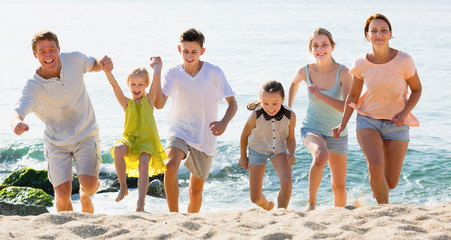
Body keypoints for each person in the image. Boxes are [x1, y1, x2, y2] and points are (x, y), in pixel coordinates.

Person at [10, 30, 110, 213]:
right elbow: (17, 111)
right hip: (56, 144)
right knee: (62, 195)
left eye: (52, 49)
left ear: (59, 48)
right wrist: (17, 123)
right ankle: (67, 229)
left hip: (85, 135)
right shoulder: (34, 86)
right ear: (35, 55)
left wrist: (103, 63)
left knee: (89, 186)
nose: (48, 55)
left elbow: (93, 64)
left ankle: (85, 197)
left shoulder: (74, 60)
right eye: (42, 52)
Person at [333, 14, 422, 204]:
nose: (378, 34)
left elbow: (416, 90)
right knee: (375, 167)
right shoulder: (361, 63)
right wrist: (342, 124)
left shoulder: (404, 60)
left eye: (383, 30)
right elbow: (354, 96)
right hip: (368, 119)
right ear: (367, 35)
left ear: (390, 34)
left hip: (397, 123)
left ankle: (375, 191)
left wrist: (404, 113)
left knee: (390, 182)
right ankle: (384, 212)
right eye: (373, 30)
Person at [153, 28, 238, 213]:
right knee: (170, 165)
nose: (189, 56)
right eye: (185, 51)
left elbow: (233, 104)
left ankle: (191, 221)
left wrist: (223, 123)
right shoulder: (173, 73)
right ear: (179, 50)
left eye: (194, 51)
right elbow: (159, 104)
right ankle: (174, 216)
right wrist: (157, 72)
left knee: (195, 191)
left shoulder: (214, 72)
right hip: (179, 129)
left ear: (202, 51)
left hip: (205, 134)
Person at [288, 28, 352, 211]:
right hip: (311, 127)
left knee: (338, 187)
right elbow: (293, 83)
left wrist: (321, 95)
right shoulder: (305, 71)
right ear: (311, 49)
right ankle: (311, 204)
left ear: (332, 46)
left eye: (324, 44)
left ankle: (339, 213)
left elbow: (346, 108)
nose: (320, 48)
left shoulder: (344, 73)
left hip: (338, 131)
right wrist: (289, 109)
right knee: (320, 155)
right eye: (315, 45)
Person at [102, 56, 167, 212]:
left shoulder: (149, 100)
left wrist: (157, 66)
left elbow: (157, 78)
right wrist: (106, 71)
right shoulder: (126, 103)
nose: (136, 87)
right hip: (130, 140)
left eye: (140, 84)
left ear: (146, 85)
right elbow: (114, 85)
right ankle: (123, 187)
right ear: (128, 85)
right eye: (133, 84)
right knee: (118, 149)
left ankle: (140, 202)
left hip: (147, 142)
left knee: (144, 163)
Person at [239, 81, 296, 210]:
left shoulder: (290, 115)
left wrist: (291, 153)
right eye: (266, 104)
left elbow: (291, 138)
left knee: (287, 182)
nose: (270, 108)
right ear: (261, 100)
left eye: (275, 103)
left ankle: (281, 212)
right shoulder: (256, 115)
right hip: (257, 149)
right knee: (255, 198)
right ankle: (269, 207)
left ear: (283, 99)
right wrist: (243, 156)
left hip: (279, 150)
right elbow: (244, 135)